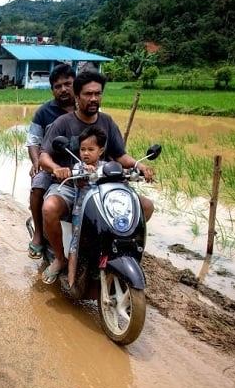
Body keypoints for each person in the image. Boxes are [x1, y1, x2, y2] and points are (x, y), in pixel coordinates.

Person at [39, 70, 155, 285]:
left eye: (97, 93)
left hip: (103, 185)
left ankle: (112, 248)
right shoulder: (63, 123)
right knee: (49, 208)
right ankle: (60, 258)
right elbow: (44, 155)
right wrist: (57, 168)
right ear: (77, 96)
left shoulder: (107, 122)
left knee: (144, 207)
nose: (93, 98)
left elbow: (120, 155)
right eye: (88, 94)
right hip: (71, 184)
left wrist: (140, 165)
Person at [25, 64, 76, 260]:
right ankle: (38, 233)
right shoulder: (44, 112)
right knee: (37, 187)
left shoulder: (86, 107)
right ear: (52, 89)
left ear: (75, 84)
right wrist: (37, 163)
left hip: (82, 166)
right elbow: (33, 141)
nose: (63, 89)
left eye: (67, 84)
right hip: (50, 164)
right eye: (58, 86)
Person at [66, 126, 107, 287]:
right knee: (75, 244)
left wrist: (130, 171)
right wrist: (86, 171)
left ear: (101, 151)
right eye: (83, 149)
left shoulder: (105, 167)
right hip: (82, 213)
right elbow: (79, 180)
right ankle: (70, 280)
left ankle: (101, 274)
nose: (86, 153)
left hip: (102, 214)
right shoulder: (79, 167)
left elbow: (118, 173)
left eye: (91, 149)